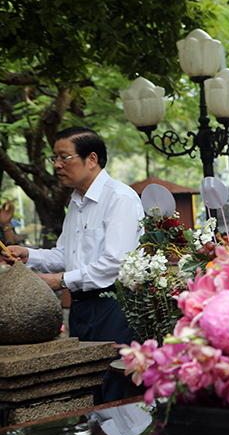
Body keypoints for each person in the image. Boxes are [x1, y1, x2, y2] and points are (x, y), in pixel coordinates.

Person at [2, 127, 144, 403]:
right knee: (87, 389)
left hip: (112, 307)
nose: (56, 165)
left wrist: (60, 281)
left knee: (114, 390)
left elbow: (114, 263)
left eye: (64, 157)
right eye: (54, 157)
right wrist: (29, 255)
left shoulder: (119, 198)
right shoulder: (76, 201)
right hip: (80, 308)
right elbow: (65, 254)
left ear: (92, 159)